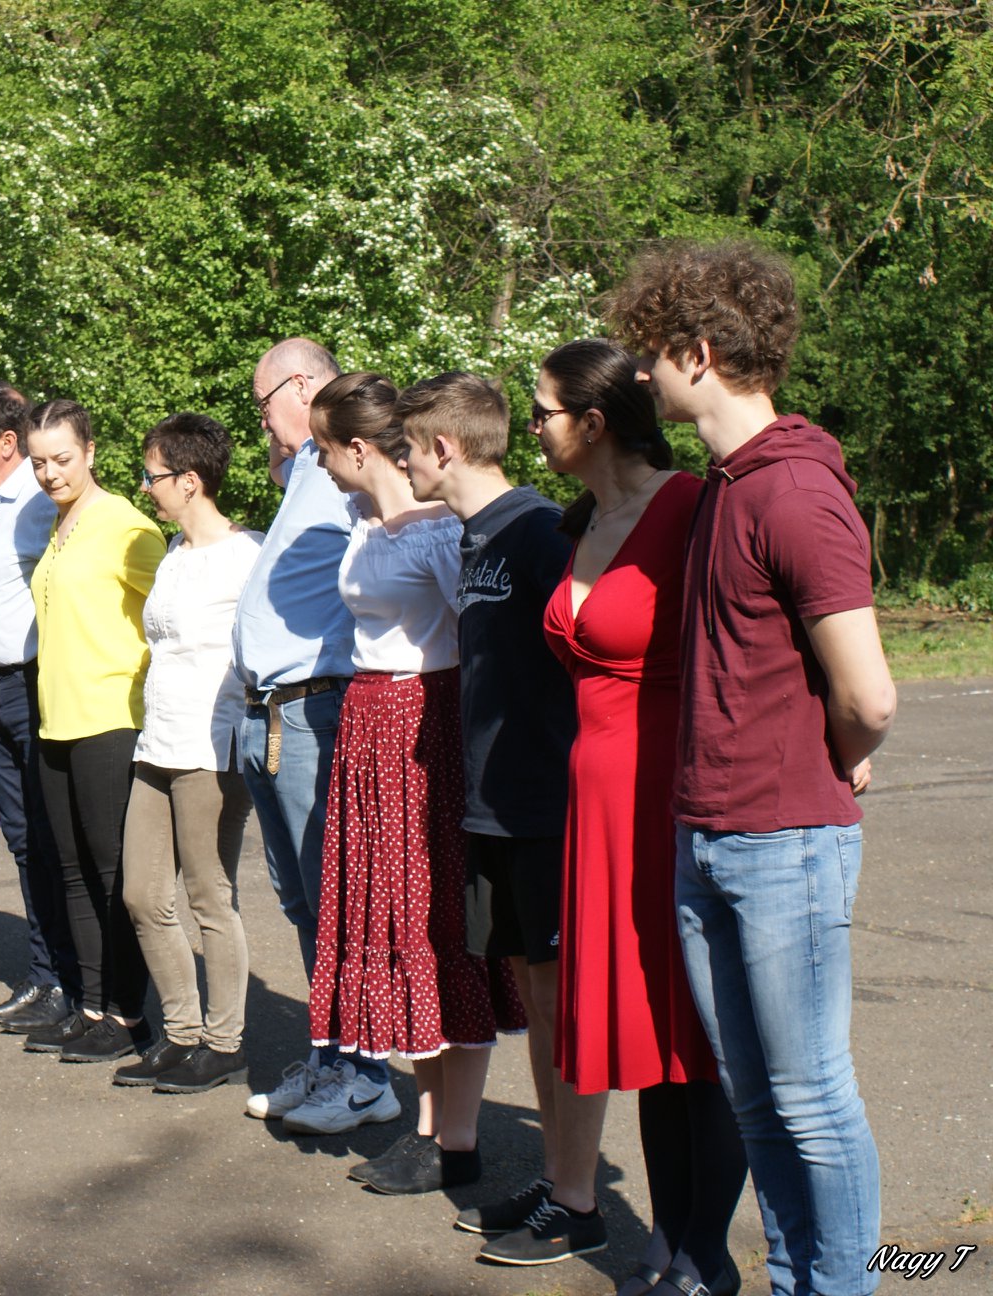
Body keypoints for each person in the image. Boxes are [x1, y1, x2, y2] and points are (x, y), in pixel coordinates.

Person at [614, 241, 895, 1296]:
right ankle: (793, 1277)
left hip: (783, 841)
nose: (643, 374)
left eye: (652, 354)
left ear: (698, 353)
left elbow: (867, 694)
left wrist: (835, 760)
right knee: (755, 1097)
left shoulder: (795, 494)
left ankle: (839, 1285)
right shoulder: (725, 488)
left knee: (810, 1097)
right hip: (707, 834)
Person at [530, 337, 748, 1288]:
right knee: (649, 1033)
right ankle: (667, 1238)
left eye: (542, 410)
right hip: (595, 807)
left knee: (695, 1034)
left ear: (595, 421)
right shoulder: (581, 521)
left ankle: (706, 1255)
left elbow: (756, 634)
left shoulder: (689, 505)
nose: (532, 427)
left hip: (667, 798)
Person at [299, 375, 525, 1174]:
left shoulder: (435, 533)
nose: (319, 463)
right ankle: (430, 1124)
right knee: (396, 922)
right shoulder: (366, 524)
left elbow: (479, 645)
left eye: (324, 448)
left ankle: (455, 1136)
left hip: (422, 723)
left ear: (358, 448)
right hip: (371, 722)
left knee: (436, 921)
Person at [388, 373, 594, 1229]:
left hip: (547, 808)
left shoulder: (540, 531)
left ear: (444, 448)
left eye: (407, 447)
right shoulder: (473, 536)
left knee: (559, 1006)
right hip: (492, 808)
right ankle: (555, 1181)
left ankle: (576, 1197)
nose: (401, 463)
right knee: (536, 1004)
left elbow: (590, 666)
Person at [237, 338, 397, 1131]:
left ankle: (367, 1076)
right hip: (273, 712)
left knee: (337, 903)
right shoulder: (306, 466)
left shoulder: (348, 465)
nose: (260, 421)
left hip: (315, 706)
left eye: (263, 404)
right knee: (302, 903)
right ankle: (331, 1056)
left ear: (302, 385)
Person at [111, 413, 261, 1093]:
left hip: (211, 748)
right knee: (142, 895)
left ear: (191, 480)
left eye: (153, 476)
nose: (146, 487)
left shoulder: (248, 555)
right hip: (158, 742)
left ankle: (224, 1044)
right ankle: (182, 1034)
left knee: (209, 897)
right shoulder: (173, 549)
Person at [20, 399, 166, 1065]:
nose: (50, 473)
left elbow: (176, 610)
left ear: (91, 452)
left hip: (111, 717)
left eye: (62, 459)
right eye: (38, 462)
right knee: (73, 871)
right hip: (57, 720)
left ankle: (130, 1015)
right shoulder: (60, 525)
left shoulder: (126, 526)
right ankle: (92, 1007)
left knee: (112, 873)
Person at [0, 381, 77, 1033]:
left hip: (32, 686)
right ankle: (45, 975)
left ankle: (69, 982)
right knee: (25, 840)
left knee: (50, 840)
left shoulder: (37, 500)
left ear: (7, 442)